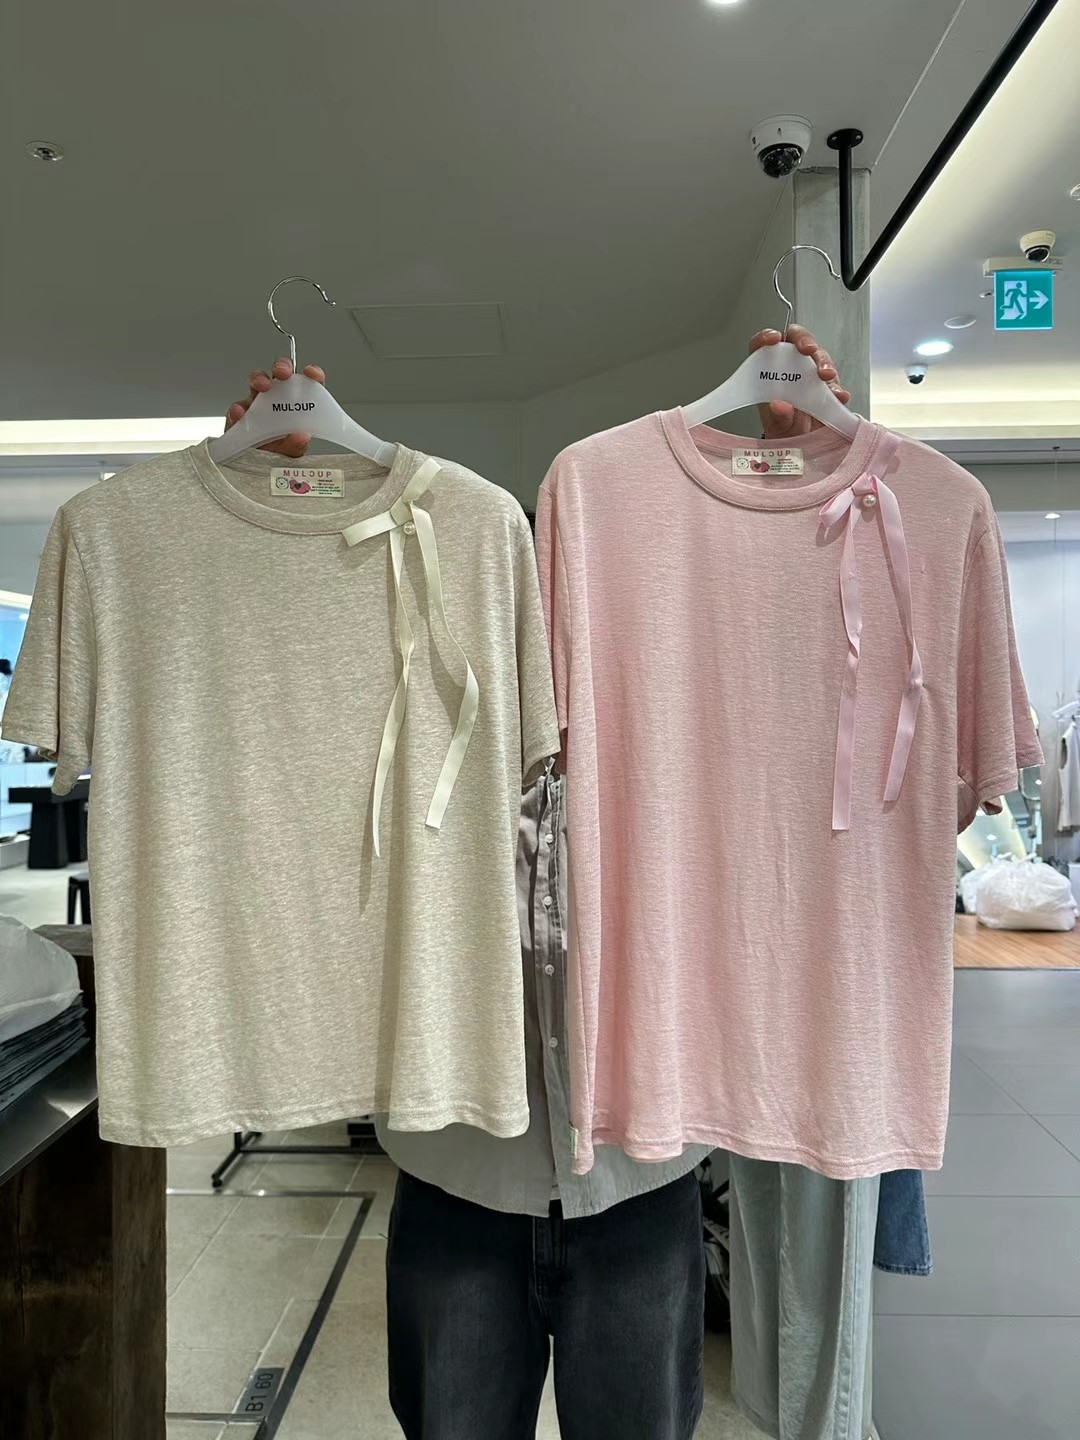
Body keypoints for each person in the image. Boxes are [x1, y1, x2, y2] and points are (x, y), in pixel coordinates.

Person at [223, 326, 850, 1440]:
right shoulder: (410, 704)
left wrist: (791, 498)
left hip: (642, 1182)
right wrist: (270, 534)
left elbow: (801, 708)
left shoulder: (668, 708)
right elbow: (277, 734)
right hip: (456, 1180)